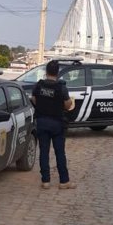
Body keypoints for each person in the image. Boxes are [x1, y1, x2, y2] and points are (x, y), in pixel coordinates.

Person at [31, 60, 76, 190]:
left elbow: (34, 99)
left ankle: (45, 181)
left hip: (42, 122)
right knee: (60, 152)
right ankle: (64, 181)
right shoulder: (61, 87)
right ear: (57, 72)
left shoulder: (38, 86)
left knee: (44, 152)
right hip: (57, 123)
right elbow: (68, 105)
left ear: (46, 71)